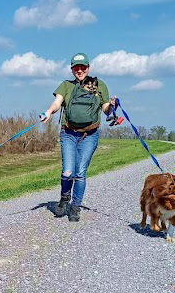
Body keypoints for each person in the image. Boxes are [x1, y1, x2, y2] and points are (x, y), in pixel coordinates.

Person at [40, 52, 115, 222]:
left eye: (83, 67)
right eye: (76, 67)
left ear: (88, 68)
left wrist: (111, 108)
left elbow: (105, 109)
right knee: (67, 172)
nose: (80, 70)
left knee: (80, 173)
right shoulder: (66, 85)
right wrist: (48, 112)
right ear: (72, 69)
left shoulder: (98, 85)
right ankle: (64, 199)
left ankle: (75, 207)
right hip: (68, 133)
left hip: (90, 135)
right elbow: (57, 103)